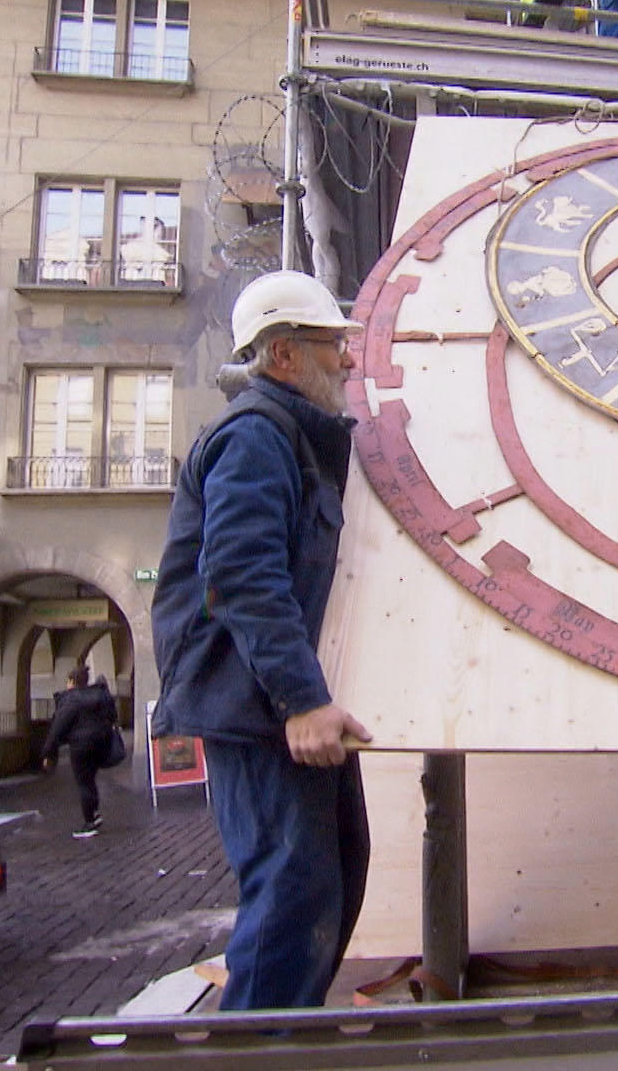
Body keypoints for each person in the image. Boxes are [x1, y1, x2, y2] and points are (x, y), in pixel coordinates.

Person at [152, 269, 373, 1010]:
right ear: (283, 357)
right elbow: (242, 575)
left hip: (278, 702)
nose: (348, 360)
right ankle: (256, 1052)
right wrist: (302, 700)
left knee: (331, 872)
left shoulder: (294, 439)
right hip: (258, 706)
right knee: (294, 886)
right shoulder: (255, 436)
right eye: (332, 345)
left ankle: (283, 1036)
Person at [40, 666, 120, 839]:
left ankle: (88, 822)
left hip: (80, 746)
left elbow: (58, 728)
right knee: (90, 780)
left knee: (84, 783)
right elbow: (112, 715)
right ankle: (94, 814)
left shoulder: (70, 700)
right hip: (100, 744)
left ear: (71, 682)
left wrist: (48, 752)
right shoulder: (99, 695)